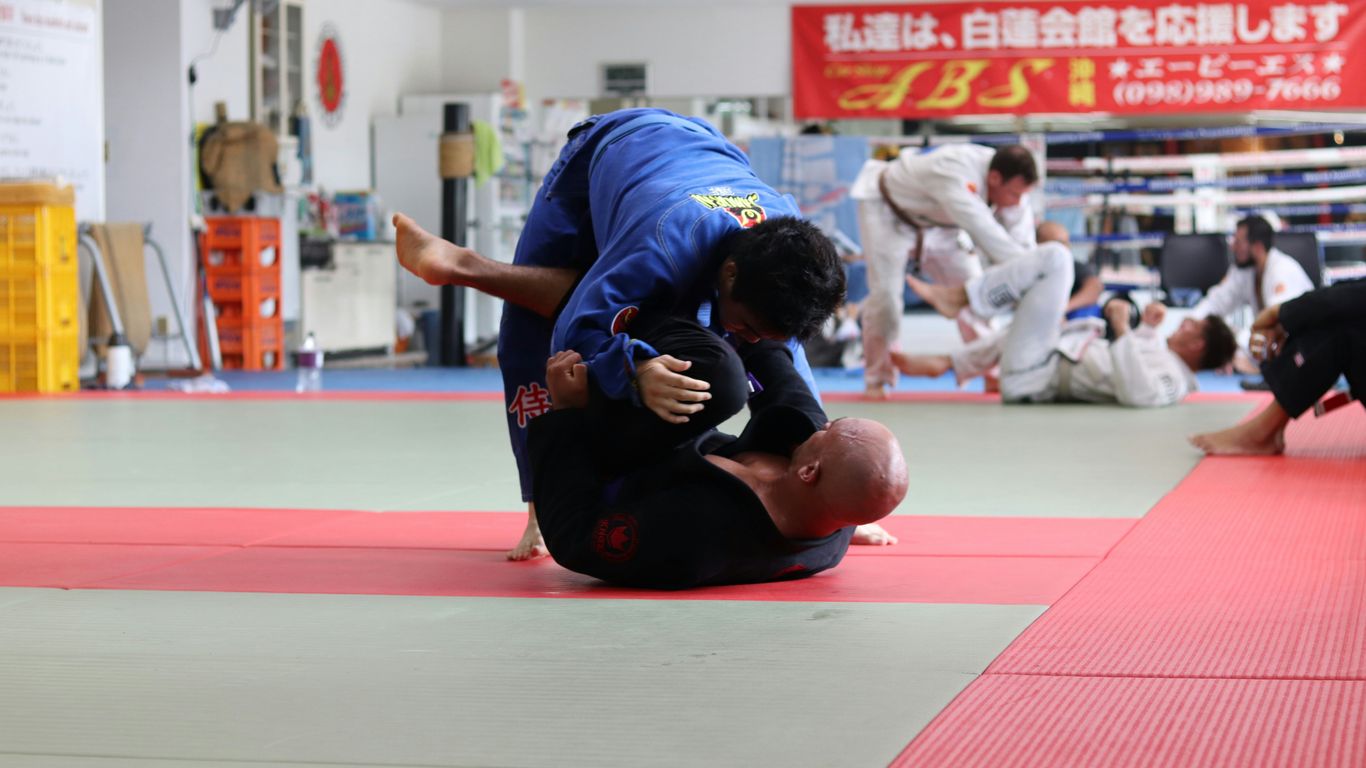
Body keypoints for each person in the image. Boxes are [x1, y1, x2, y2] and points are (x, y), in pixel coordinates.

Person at [395, 108, 847, 559]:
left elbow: (790, 366)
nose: (747, 340)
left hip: (703, 147)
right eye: (746, 326)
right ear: (729, 275)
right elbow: (578, 329)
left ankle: (468, 267)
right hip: (608, 149)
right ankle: (464, 266)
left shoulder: (788, 248)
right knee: (534, 326)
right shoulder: (663, 244)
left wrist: (828, 494)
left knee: (733, 338)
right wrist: (636, 369)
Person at [530, 320, 909, 589]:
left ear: (809, 472)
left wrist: (566, 417)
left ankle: (656, 313)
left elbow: (572, 538)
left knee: (721, 375)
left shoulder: (693, 542)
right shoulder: (830, 507)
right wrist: (755, 313)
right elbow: (779, 370)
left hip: (616, 467)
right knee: (735, 379)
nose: (821, 427)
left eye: (826, 434)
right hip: (684, 445)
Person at [892, 242, 1238, 406]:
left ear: (1198, 346)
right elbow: (1135, 358)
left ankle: (964, 300)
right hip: (1043, 358)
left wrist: (1120, 329)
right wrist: (1144, 326)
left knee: (1056, 257)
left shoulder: (1175, 380)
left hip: (1036, 375)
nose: (1185, 324)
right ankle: (950, 362)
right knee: (1042, 310)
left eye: (1192, 327)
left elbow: (1141, 393)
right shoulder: (1160, 352)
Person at [850, 143, 1039, 399]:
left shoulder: (1013, 186)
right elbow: (986, 232)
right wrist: (1037, 273)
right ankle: (877, 378)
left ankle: (993, 372)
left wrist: (1035, 277)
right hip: (889, 213)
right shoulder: (954, 169)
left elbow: (1022, 245)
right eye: (1014, 194)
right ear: (994, 178)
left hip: (943, 226)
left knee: (976, 291)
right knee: (885, 297)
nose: (1017, 201)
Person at [1190, 279, 1364, 455]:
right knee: (1329, 310)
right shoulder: (1243, 273)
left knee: (1339, 323)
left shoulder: (1281, 269)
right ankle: (1267, 430)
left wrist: (1279, 313)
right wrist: (1284, 320)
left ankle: (1264, 432)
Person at [1193, 215, 1314, 373]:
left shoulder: (1283, 270)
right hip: (1269, 352)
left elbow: (1275, 322)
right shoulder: (1244, 271)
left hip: (1302, 354)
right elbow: (1216, 302)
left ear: (1257, 247)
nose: (1232, 247)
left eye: (1238, 242)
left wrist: (1232, 348)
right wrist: (1191, 325)